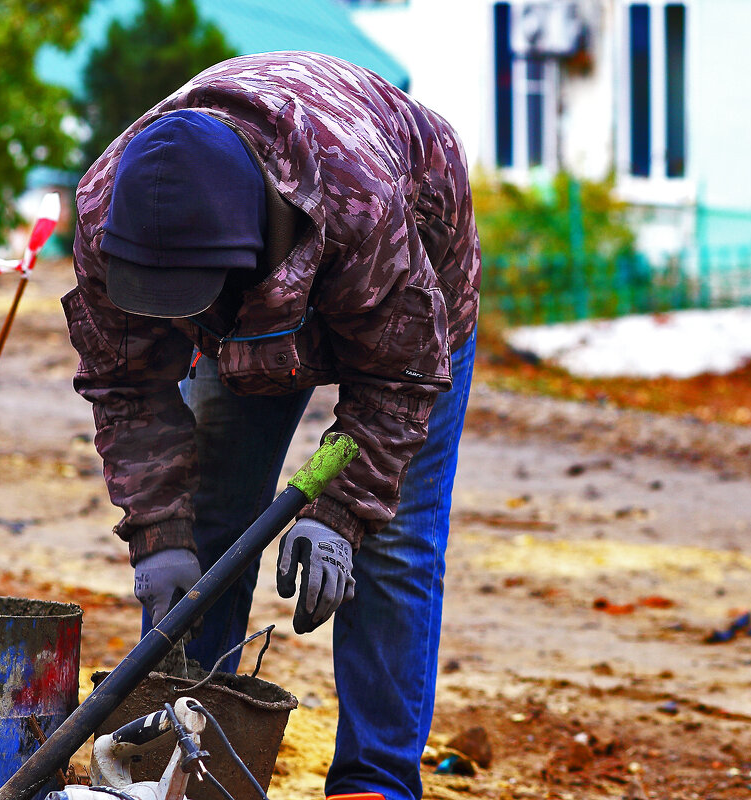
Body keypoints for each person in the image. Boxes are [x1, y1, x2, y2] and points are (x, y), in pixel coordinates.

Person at [63, 51, 480, 800]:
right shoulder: (107, 214)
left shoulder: (362, 202)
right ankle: (176, 762)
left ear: (252, 243)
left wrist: (340, 512)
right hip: (252, 306)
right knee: (210, 522)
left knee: (392, 544)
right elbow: (125, 382)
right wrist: (159, 536)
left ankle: (374, 780)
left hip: (406, 292)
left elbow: (399, 377)